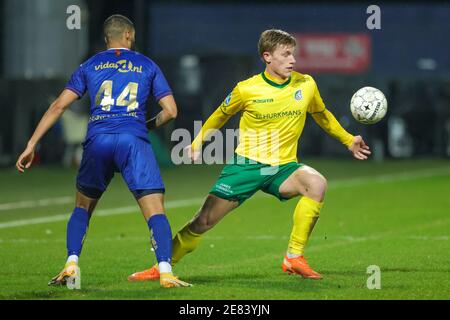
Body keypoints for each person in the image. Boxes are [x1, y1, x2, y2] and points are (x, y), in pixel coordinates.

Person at [128, 29, 371, 282]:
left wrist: (348, 139)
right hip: (247, 166)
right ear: (267, 56)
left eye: (293, 54)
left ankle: (294, 257)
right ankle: (162, 266)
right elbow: (220, 114)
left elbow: (322, 115)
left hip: (283, 168)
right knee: (203, 221)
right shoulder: (247, 89)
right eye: (286, 54)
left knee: (317, 183)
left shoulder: (305, 84)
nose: (293, 60)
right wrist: (198, 142)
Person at [16, 14, 191, 288]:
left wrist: (31, 144)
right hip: (133, 141)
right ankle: (166, 271)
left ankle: (71, 264)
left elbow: (58, 106)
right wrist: (143, 127)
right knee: (155, 210)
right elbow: (171, 111)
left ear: (106, 38)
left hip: (98, 140)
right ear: (130, 36)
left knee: (82, 208)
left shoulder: (90, 65)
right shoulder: (146, 64)